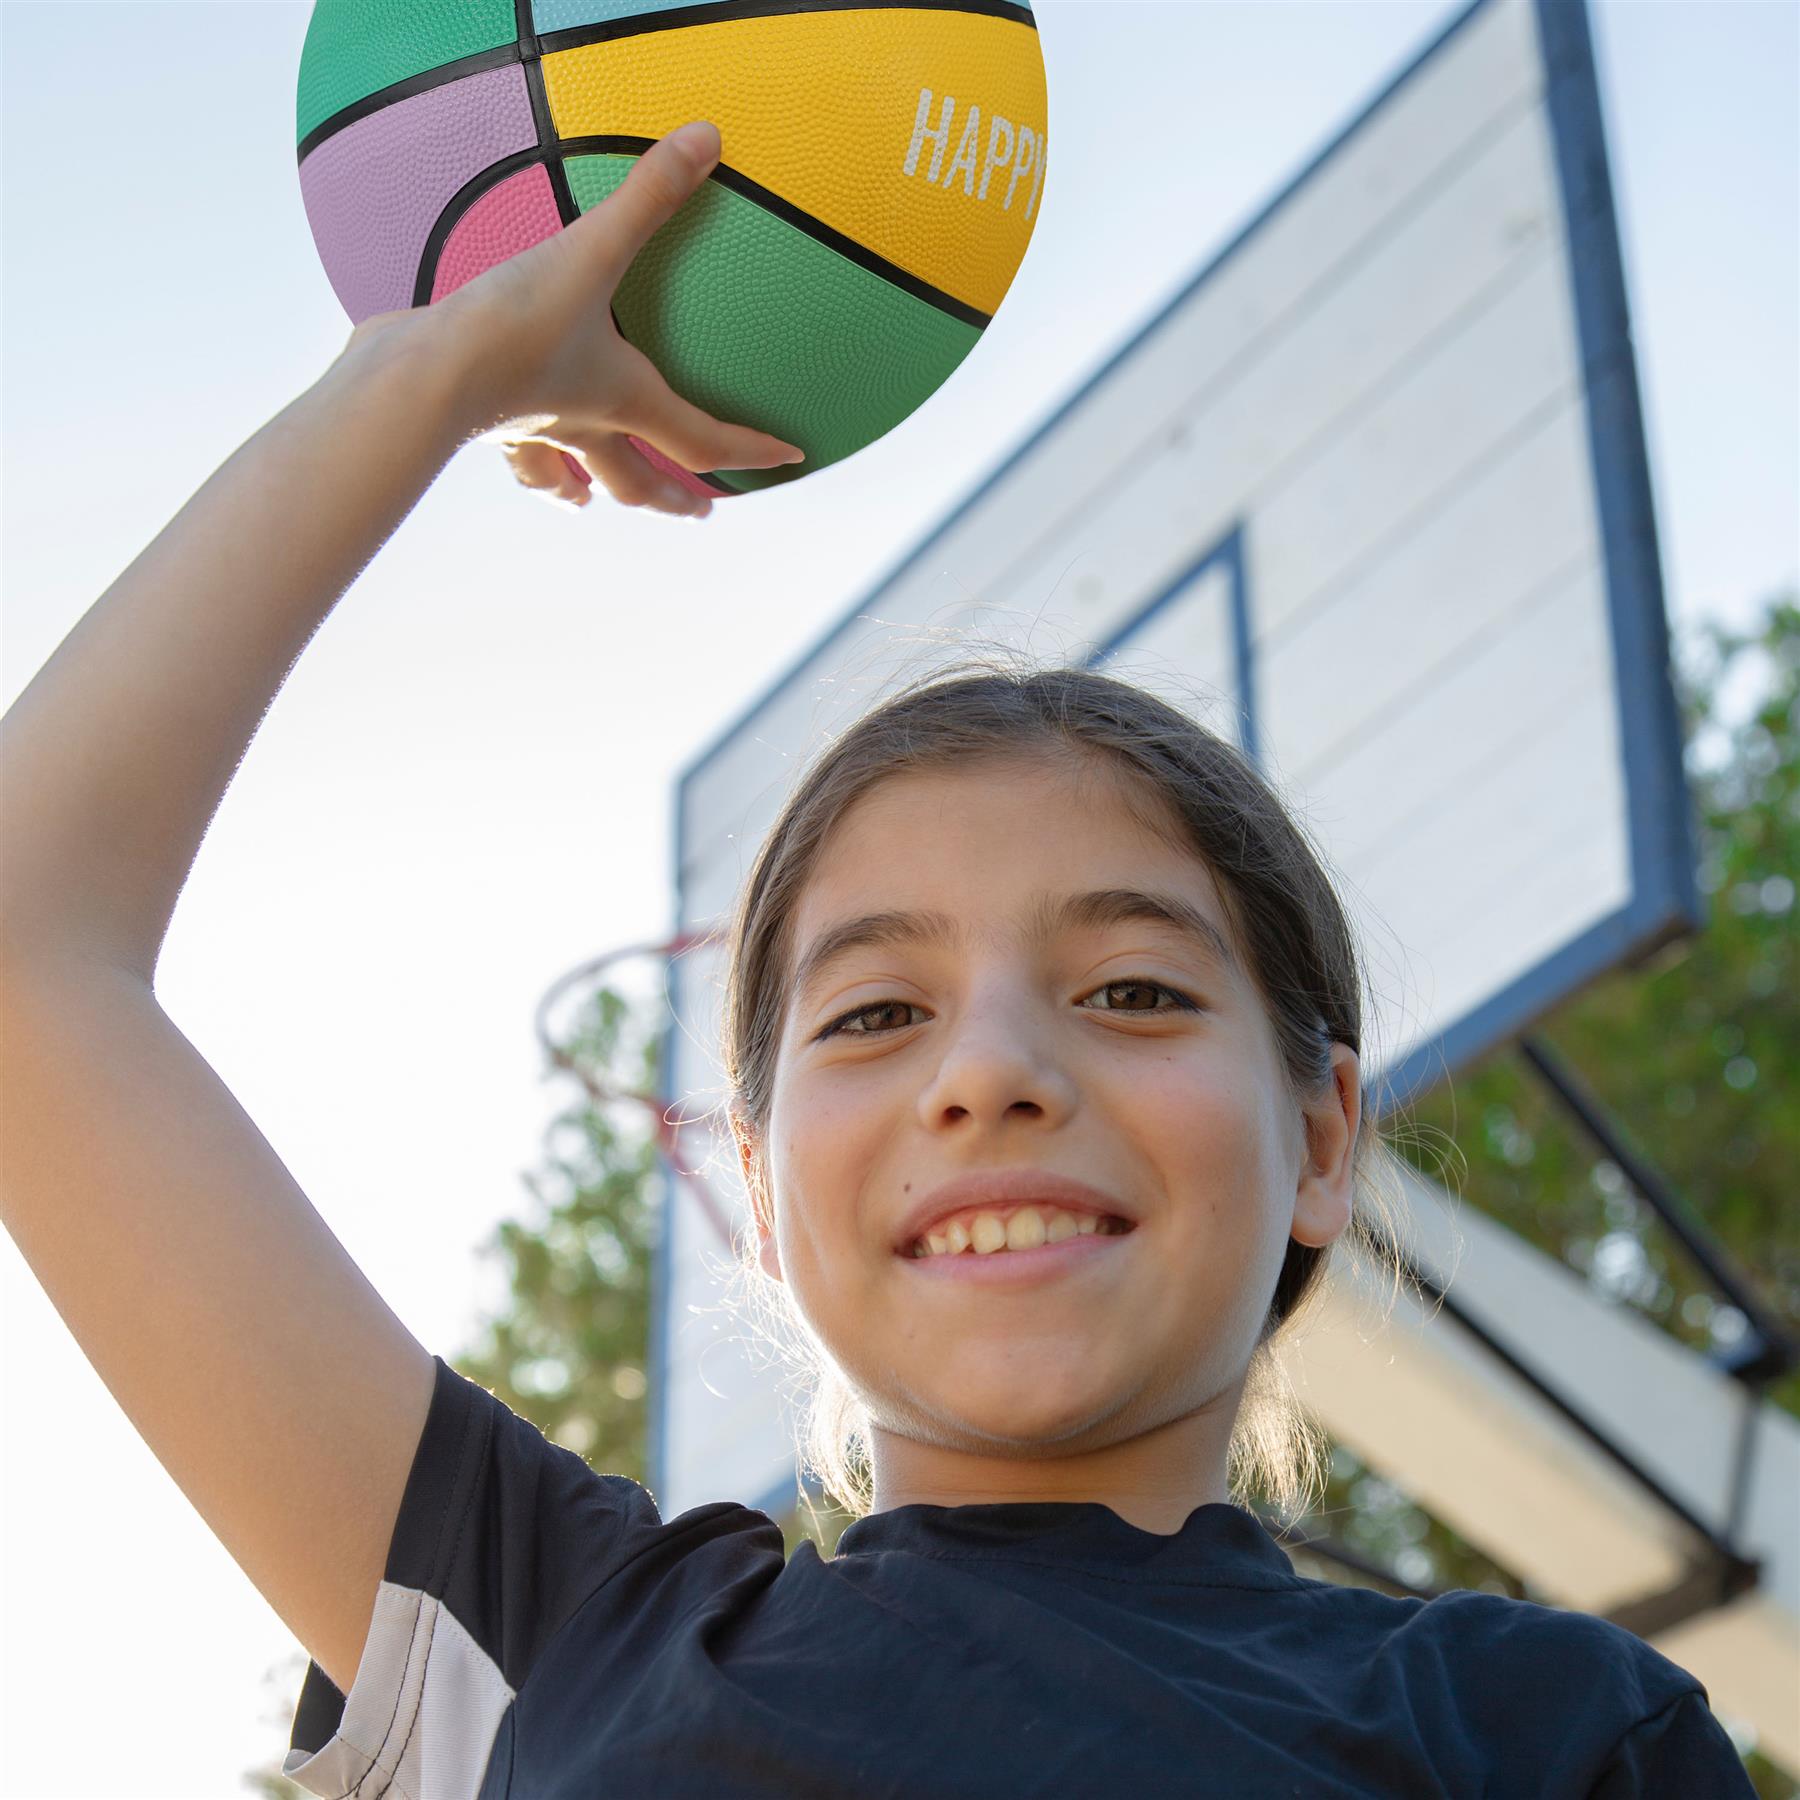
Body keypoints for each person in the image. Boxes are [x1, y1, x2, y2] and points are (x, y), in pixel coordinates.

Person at [0, 122, 1752, 1799]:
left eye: (1134, 990)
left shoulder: (1552, 1733)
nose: (989, 1070)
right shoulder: (563, 1642)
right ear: (759, 1190)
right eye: (878, 1011)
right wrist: (424, 374)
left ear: (1319, 1138)